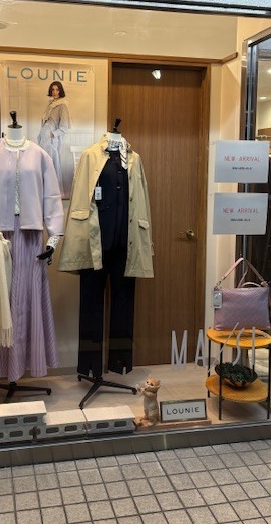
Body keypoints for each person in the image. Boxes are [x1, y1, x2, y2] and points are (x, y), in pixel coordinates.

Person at [0, 112, 64, 382]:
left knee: (28, 300)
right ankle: (3, 368)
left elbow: (52, 198)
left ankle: (25, 364)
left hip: (31, 240)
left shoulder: (40, 156)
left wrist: (53, 238)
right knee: (2, 299)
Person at [58, 125, 154, 401]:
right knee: (90, 304)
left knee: (124, 303)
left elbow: (142, 200)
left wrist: (146, 241)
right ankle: (90, 367)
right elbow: (79, 197)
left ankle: (119, 363)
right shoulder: (90, 155)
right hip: (94, 244)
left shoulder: (134, 159)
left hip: (126, 245)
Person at [37, 80, 71, 196]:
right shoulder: (50, 105)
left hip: (51, 139)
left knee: (52, 163)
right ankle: (45, 191)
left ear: (60, 91)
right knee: (44, 162)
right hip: (44, 137)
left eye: (57, 89)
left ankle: (54, 192)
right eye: (53, 89)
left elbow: (64, 126)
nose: (55, 92)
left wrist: (53, 134)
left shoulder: (62, 105)